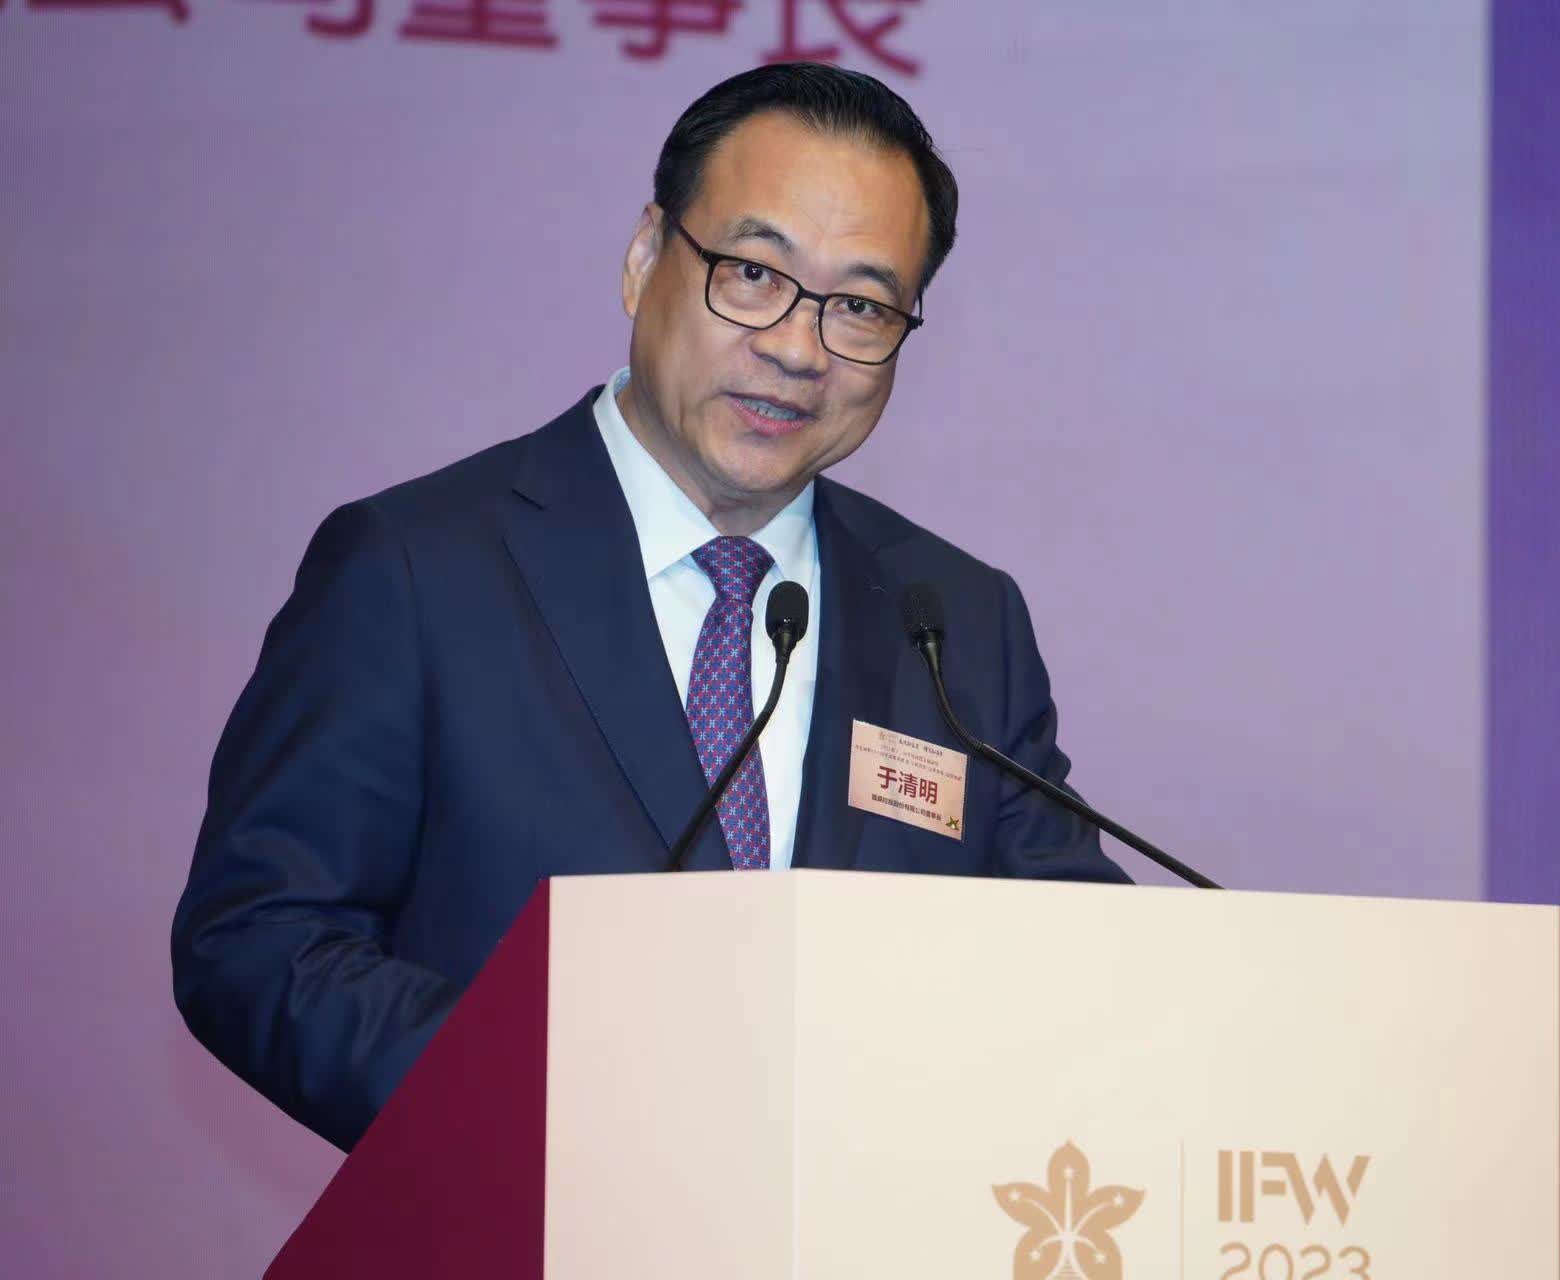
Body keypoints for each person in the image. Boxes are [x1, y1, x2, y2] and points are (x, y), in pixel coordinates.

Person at [171, 63, 1129, 1153]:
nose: (797, 349)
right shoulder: (416, 568)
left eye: (860, 307)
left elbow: (1078, 960)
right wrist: (560, 1103)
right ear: (643, 259)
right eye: (753, 274)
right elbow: (261, 938)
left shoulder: (954, 616)